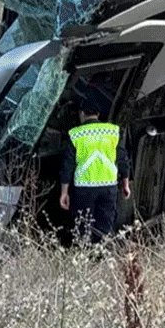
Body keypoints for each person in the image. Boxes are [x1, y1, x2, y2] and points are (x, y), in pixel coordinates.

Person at [59, 101, 131, 244]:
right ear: (98, 114)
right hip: (108, 188)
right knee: (104, 229)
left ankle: (83, 257)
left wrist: (64, 193)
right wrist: (126, 185)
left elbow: (67, 166)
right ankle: (101, 257)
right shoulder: (113, 133)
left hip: (84, 189)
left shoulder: (76, 135)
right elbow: (123, 161)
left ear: (81, 114)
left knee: (82, 227)